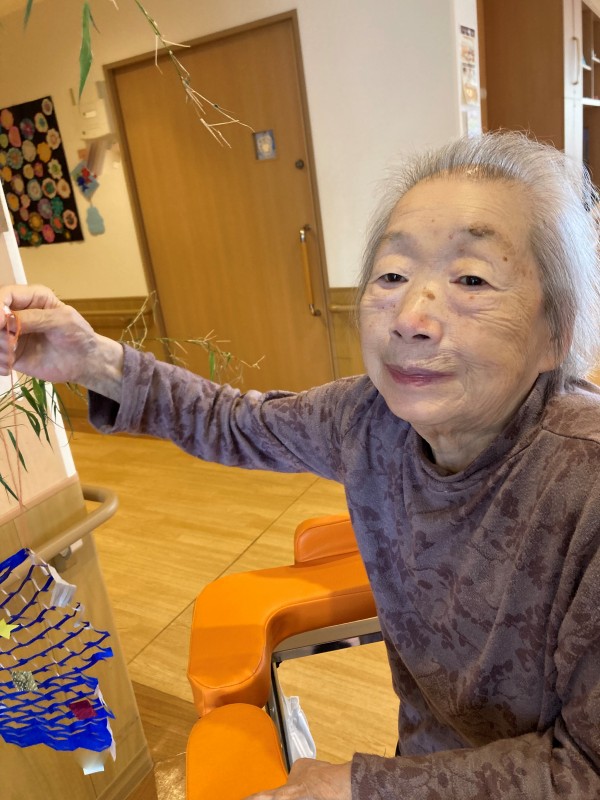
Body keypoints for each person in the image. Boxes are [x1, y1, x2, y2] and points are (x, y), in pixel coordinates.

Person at [1, 130, 599, 799]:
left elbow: (588, 770)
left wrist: (358, 787)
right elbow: (234, 421)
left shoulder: (585, 485)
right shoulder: (367, 419)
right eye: (392, 275)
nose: (411, 316)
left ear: (556, 332)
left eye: (471, 279)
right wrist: (91, 359)